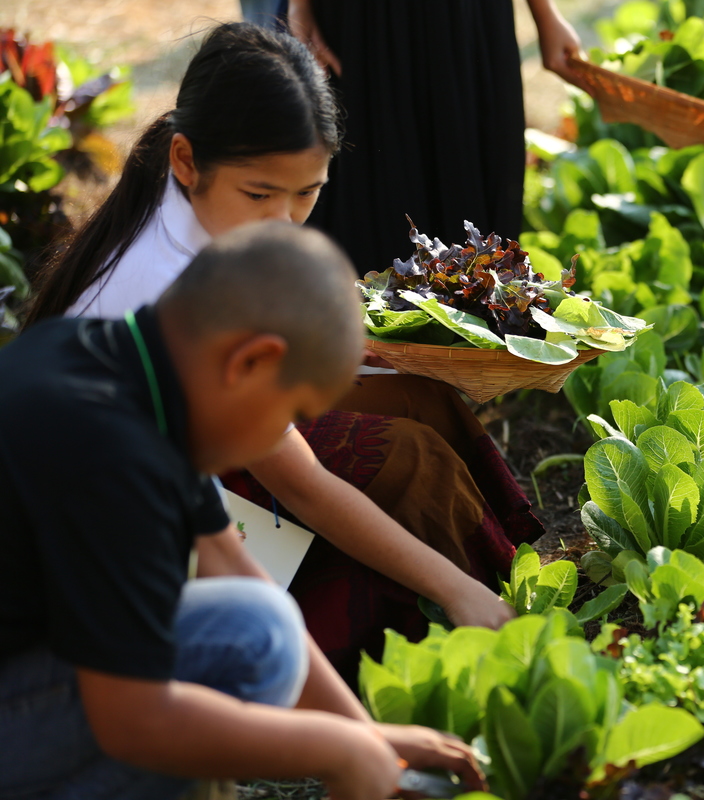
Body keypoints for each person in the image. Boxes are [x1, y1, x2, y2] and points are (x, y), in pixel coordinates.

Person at [24, 22, 541, 683]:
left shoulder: (203, 201)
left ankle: (511, 571)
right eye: (262, 195)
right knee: (409, 460)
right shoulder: (175, 290)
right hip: (134, 539)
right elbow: (302, 484)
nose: (286, 220)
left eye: (308, 193)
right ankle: (475, 604)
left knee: (420, 396)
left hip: (191, 453)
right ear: (186, 160)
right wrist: (451, 587)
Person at [0, 222, 483, 799]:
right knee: (199, 699)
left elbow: (234, 565)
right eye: (296, 409)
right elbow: (132, 720)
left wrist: (370, 738)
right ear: (252, 362)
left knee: (259, 624)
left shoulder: (114, 361)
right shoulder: (113, 454)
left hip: (31, 656)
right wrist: (337, 751)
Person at [286, 0, 582, 270]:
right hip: (363, 24)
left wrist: (545, 14)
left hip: (467, 23)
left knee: (479, 239)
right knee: (367, 217)